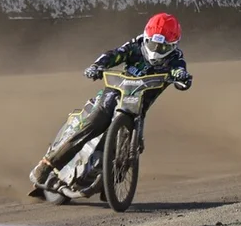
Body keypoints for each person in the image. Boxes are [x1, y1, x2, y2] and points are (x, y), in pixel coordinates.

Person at [28, 12, 193, 190]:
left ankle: (111, 182)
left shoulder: (176, 58)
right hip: (113, 96)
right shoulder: (134, 46)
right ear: (146, 38)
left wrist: (181, 77)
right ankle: (46, 166)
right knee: (92, 123)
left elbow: (181, 74)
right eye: (152, 44)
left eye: (162, 48)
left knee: (134, 147)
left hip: (138, 108)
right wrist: (97, 66)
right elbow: (114, 54)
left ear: (172, 45)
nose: (155, 51)